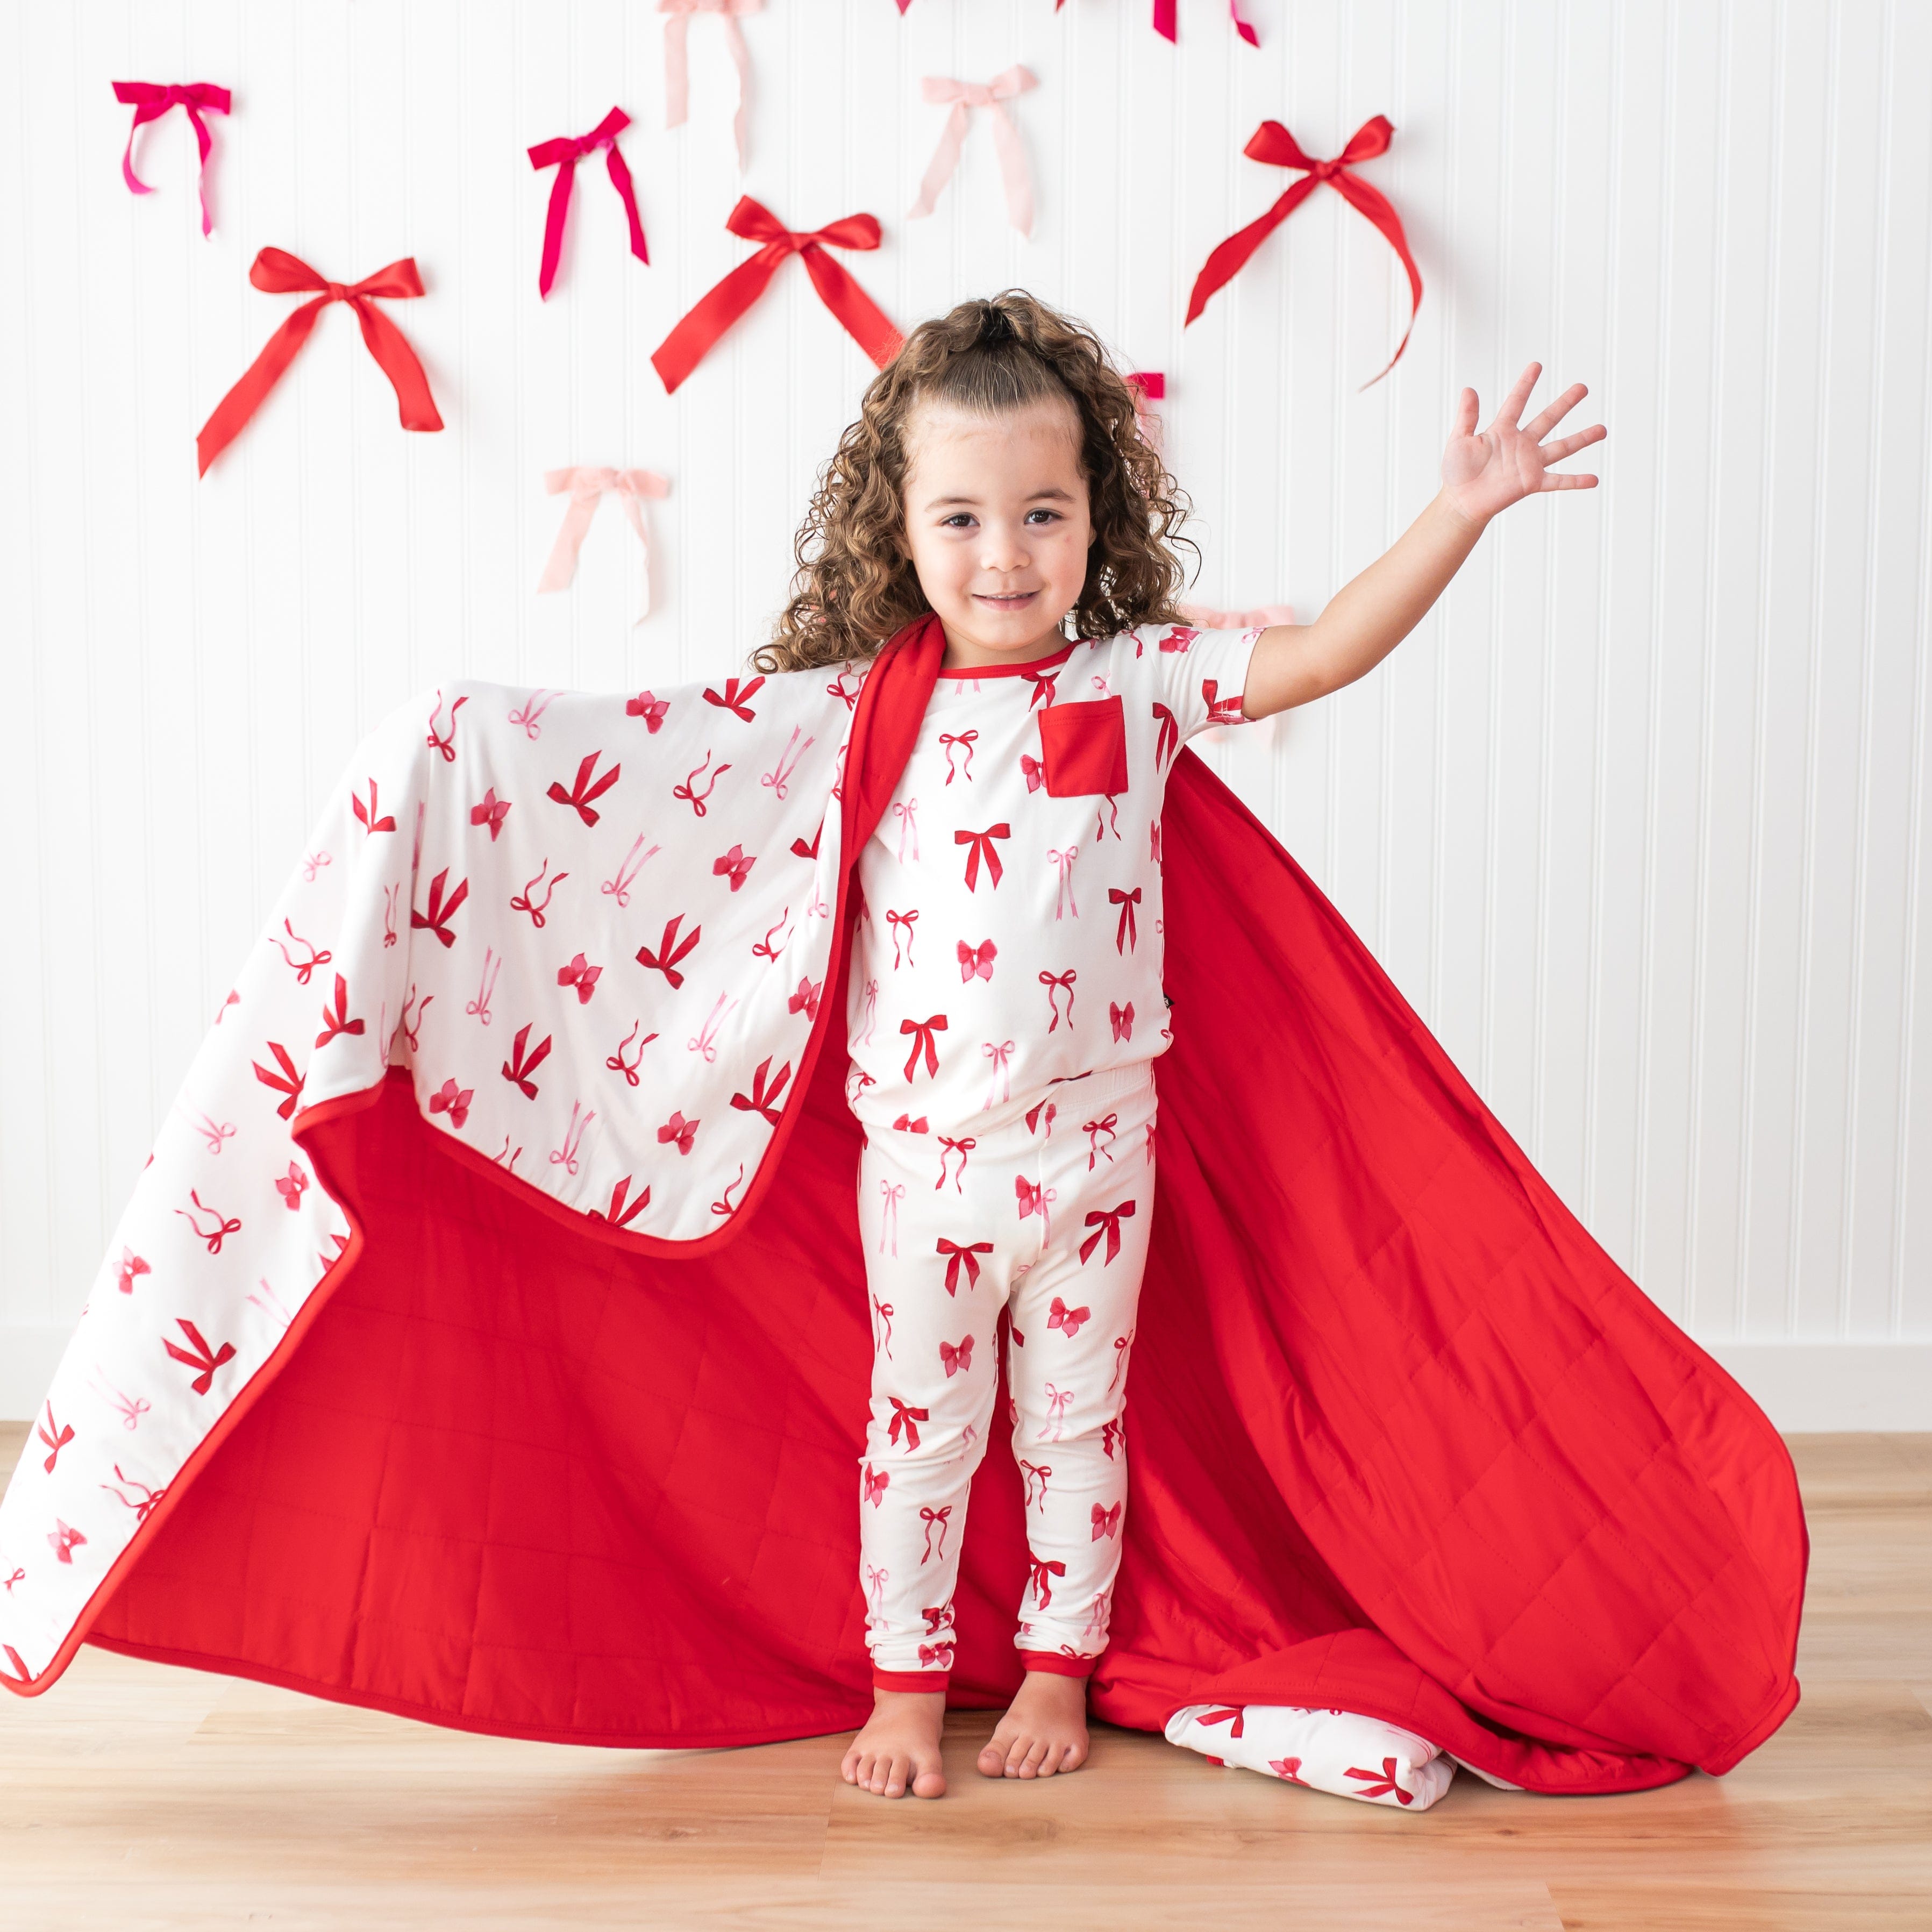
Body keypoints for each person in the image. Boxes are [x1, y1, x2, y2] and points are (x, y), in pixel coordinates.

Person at [746, 291, 1606, 1799]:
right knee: (917, 1438)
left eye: (1040, 512)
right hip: (926, 1173)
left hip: (1093, 1162)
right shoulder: (841, 716)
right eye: (959, 516)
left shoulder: (1131, 684)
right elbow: (676, 787)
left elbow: (1327, 651)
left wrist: (1456, 512)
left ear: (1096, 520)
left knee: (1075, 1432)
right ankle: (904, 1680)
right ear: (897, 528)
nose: (1002, 554)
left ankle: (1059, 1668)